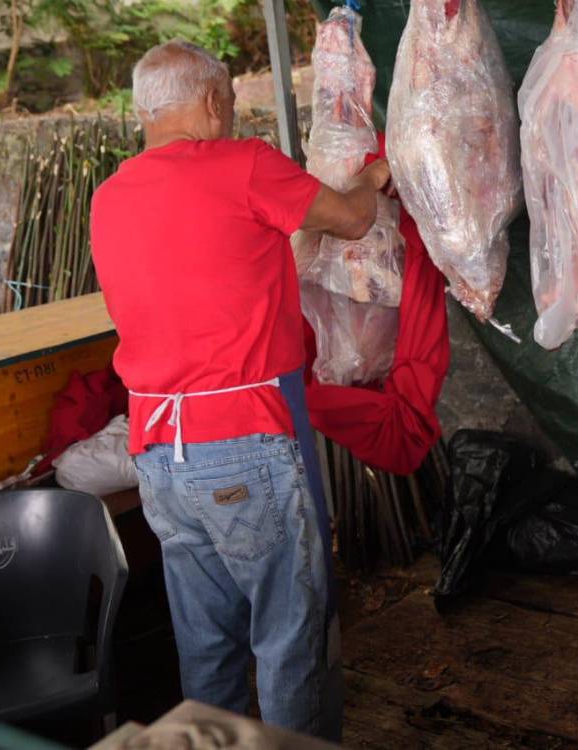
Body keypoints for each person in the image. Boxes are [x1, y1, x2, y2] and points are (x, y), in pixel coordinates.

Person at [89, 39, 389, 737]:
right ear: (216, 100)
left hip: (159, 455)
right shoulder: (242, 164)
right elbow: (349, 220)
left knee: (207, 643)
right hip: (244, 448)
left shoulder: (109, 197)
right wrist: (371, 179)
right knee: (293, 639)